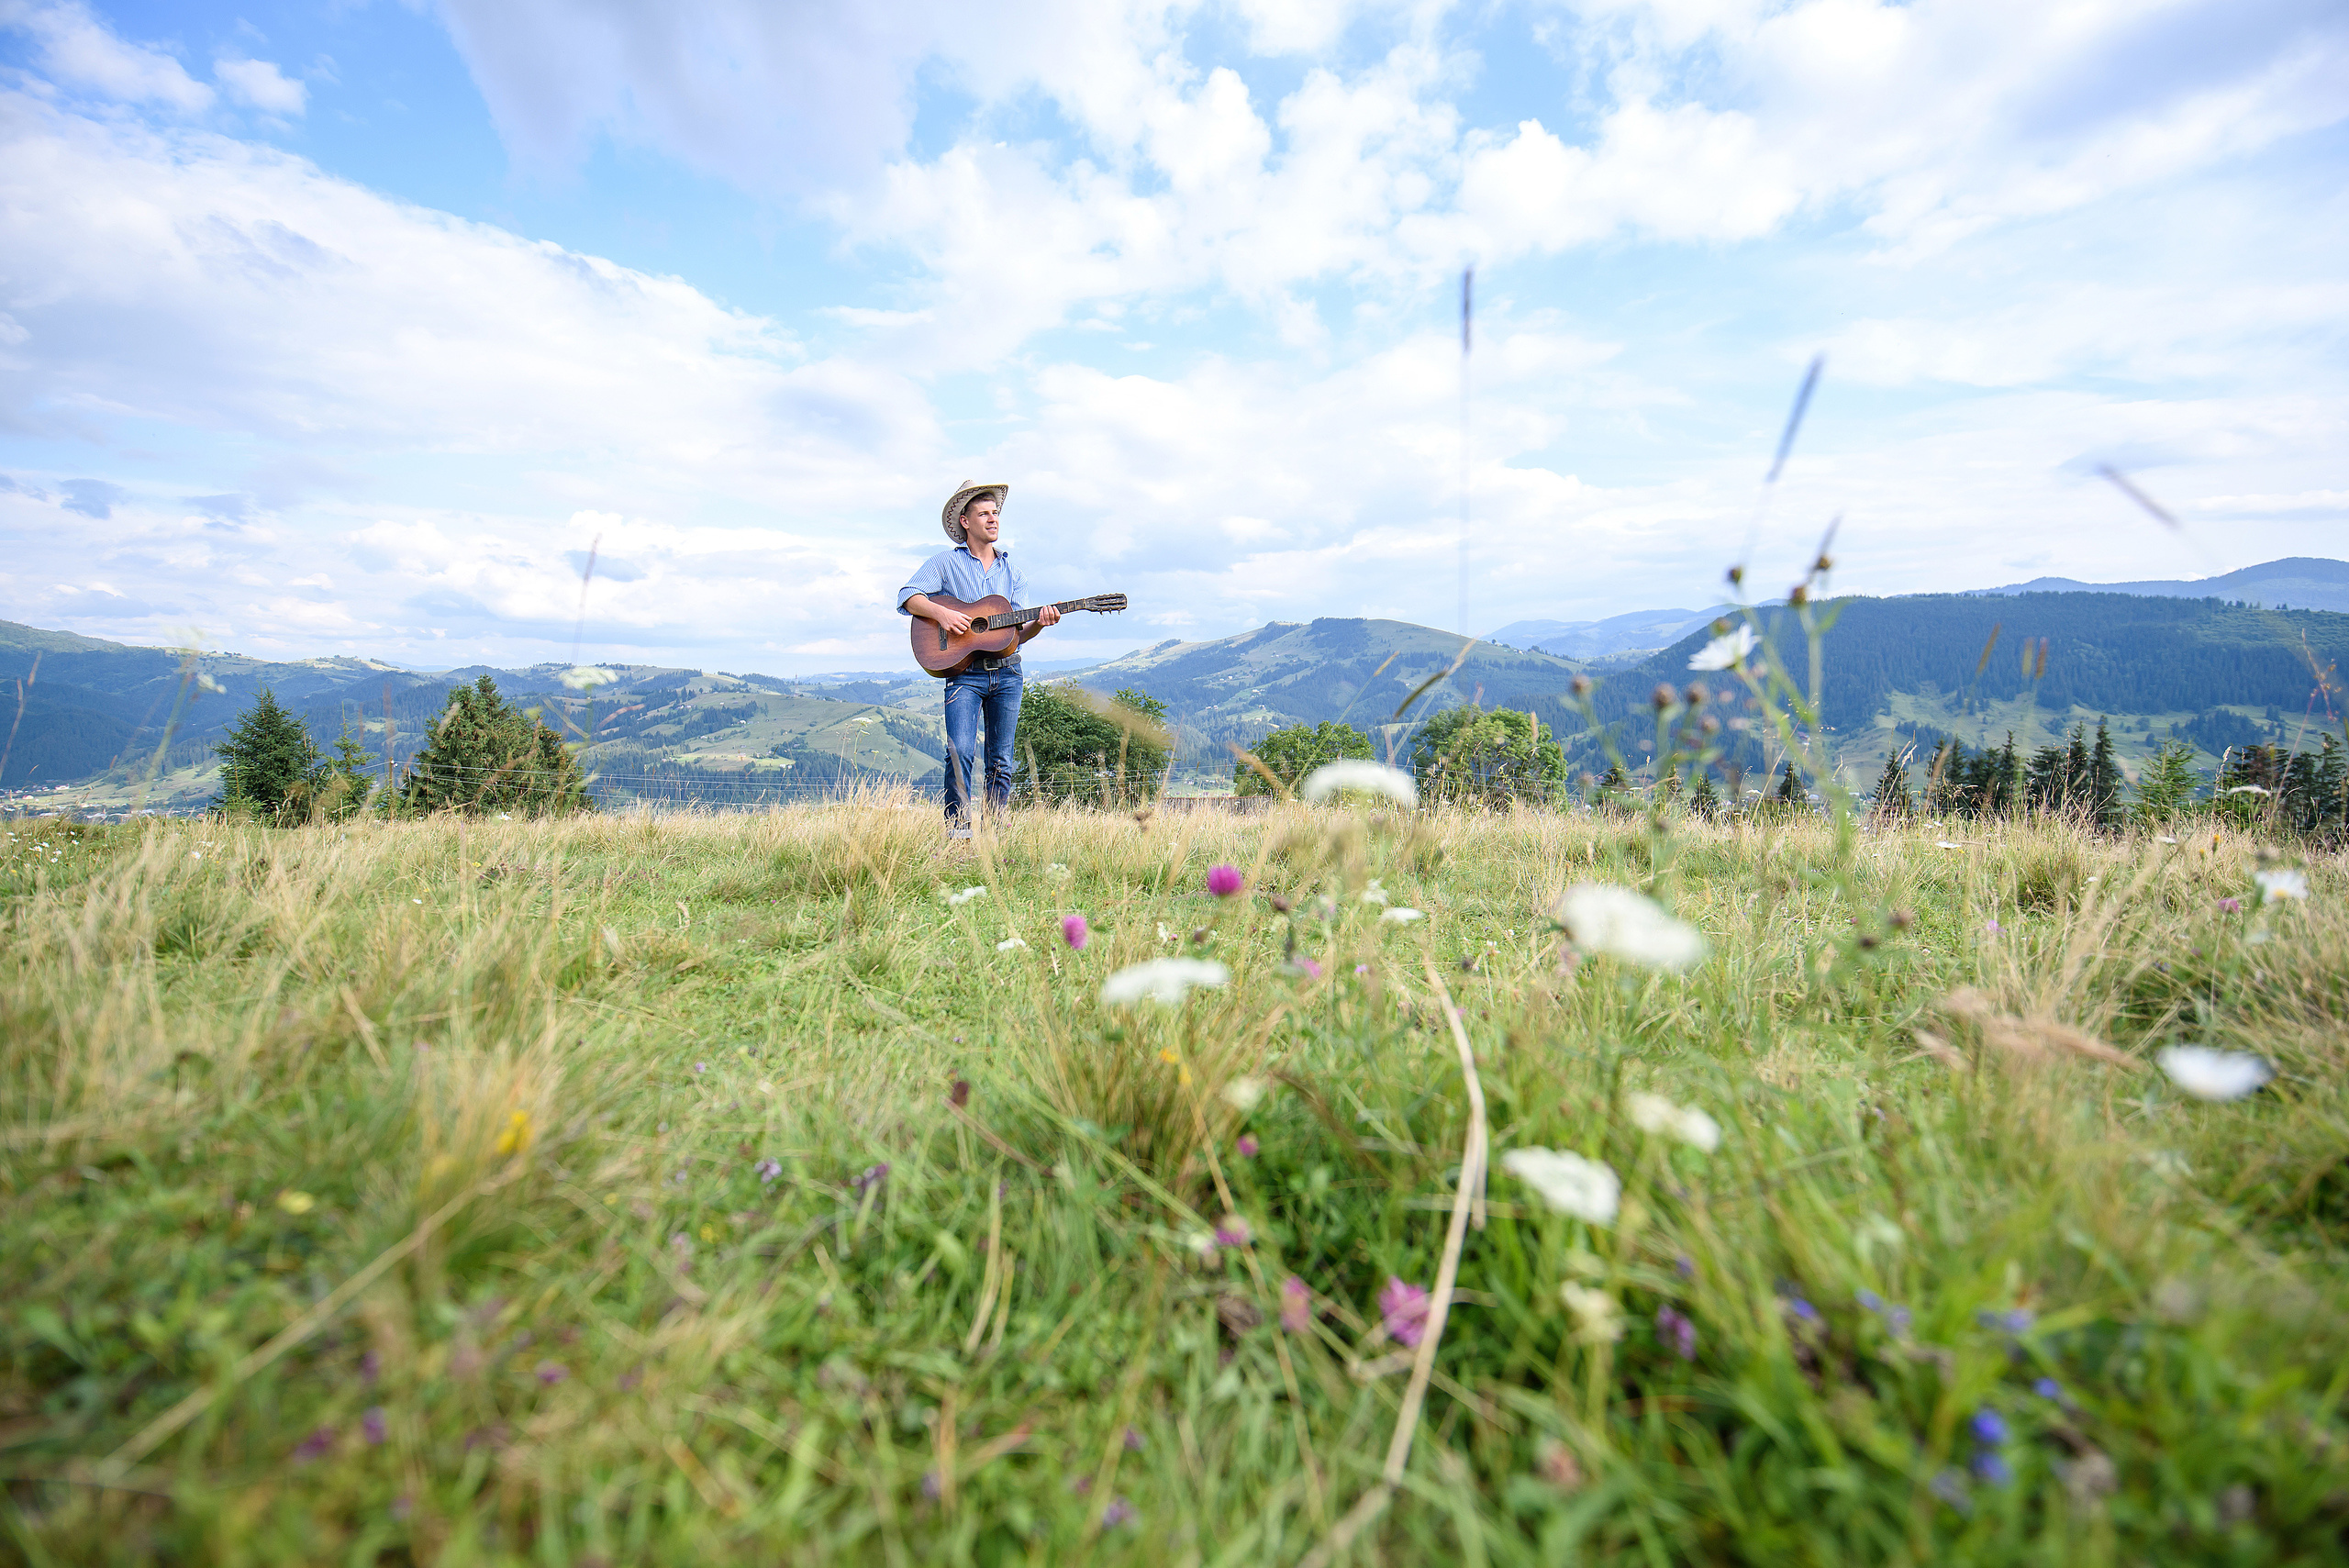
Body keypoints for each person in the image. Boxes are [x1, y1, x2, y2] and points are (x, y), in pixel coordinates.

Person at [898, 481, 1061, 836]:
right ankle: (959, 835)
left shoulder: (1013, 573)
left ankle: (994, 836)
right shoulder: (945, 563)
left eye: (996, 513)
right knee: (959, 752)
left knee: (1001, 760)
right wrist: (942, 614)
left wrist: (1039, 624)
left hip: (1007, 675)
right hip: (964, 674)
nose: (993, 519)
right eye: (984, 513)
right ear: (965, 521)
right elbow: (908, 596)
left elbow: (1016, 636)